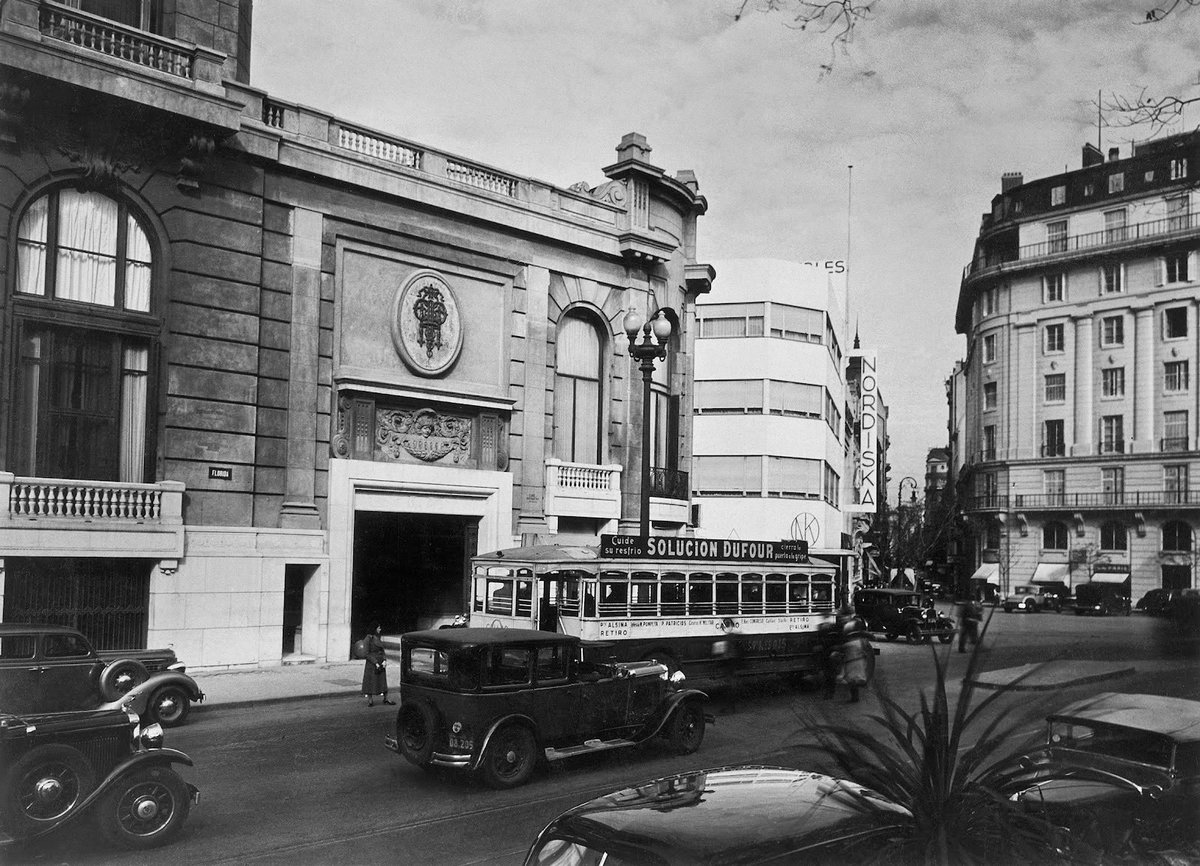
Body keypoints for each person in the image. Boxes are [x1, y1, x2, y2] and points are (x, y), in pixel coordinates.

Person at [838, 618, 875, 703]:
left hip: (852, 661)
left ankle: (855, 697)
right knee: (855, 679)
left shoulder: (849, 644)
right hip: (857, 661)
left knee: (852, 680)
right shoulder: (861, 642)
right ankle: (856, 695)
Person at [711, 617, 743, 713]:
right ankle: (730, 707)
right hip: (731, 661)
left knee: (729, 685)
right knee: (730, 684)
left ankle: (729, 707)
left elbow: (724, 652)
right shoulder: (733, 636)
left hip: (729, 661)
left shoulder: (729, 637)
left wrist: (718, 663)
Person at [361, 623, 394, 707]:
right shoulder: (368, 639)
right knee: (370, 681)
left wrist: (384, 660)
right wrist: (375, 662)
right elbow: (366, 653)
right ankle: (370, 700)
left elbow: (382, 650)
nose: (380, 629)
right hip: (372, 663)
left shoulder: (378, 638)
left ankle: (386, 698)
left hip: (380, 661)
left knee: (382, 681)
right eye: (378, 628)